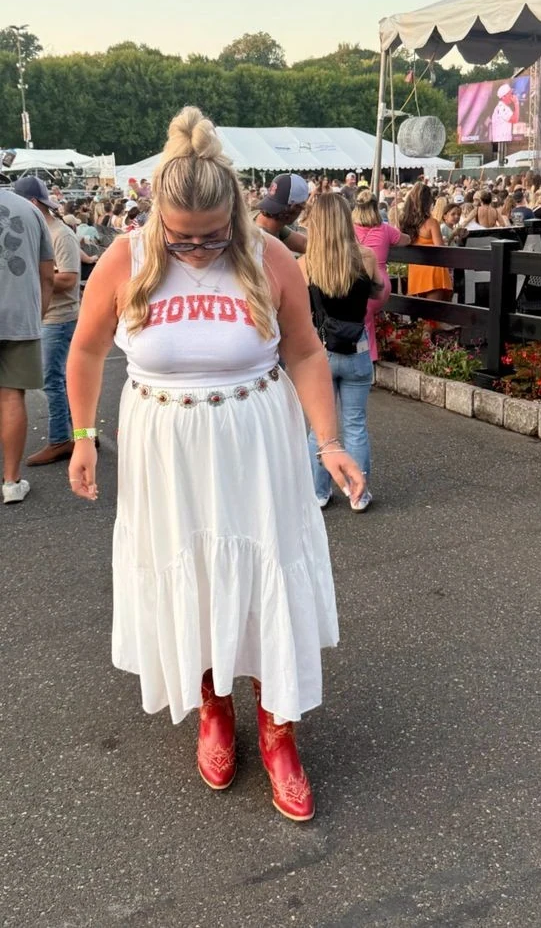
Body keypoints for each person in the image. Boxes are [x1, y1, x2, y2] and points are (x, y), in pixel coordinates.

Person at [66, 107, 365, 821]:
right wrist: (82, 434)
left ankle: (279, 729)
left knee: (267, 571)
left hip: (256, 444)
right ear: (156, 216)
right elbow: (86, 349)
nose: (197, 250)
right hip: (164, 450)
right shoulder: (126, 257)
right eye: (181, 237)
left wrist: (329, 441)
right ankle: (213, 707)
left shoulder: (269, 256)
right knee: (193, 573)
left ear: (234, 212)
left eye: (211, 236)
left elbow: (304, 351)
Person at [299, 192, 381, 511]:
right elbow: (378, 293)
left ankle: (318, 492)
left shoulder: (305, 264)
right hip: (357, 350)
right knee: (355, 424)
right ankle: (358, 493)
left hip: (319, 353)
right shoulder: (366, 257)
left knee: (320, 430)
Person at [14, 177, 81, 467]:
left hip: (58, 318)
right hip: (49, 317)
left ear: (32, 203)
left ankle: (60, 440)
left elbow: (69, 279)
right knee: (63, 380)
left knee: (53, 381)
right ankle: (82, 436)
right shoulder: (42, 231)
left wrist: (35, 275)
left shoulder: (60, 234)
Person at [0, 188, 55, 503]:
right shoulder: (29, 210)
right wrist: (38, 315)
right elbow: (48, 275)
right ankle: (11, 481)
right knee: (11, 396)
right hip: (19, 316)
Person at [351, 189, 410, 361]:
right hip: (381, 282)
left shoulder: (350, 229)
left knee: (361, 322)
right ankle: (370, 357)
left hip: (360, 281)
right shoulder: (385, 229)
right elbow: (406, 240)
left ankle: (366, 358)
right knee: (366, 320)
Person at [401, 182, 451, 301]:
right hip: (433, 269)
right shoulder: (431, 223)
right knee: (435, 311)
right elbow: (440, 249)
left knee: (420, 310)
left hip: (416, 269)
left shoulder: (404, 222)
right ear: (428, 202)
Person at [255, 173, 308, 255]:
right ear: (296, 208)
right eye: (302, 207)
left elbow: (304, 244)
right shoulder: (261, 241)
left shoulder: (271, 224)